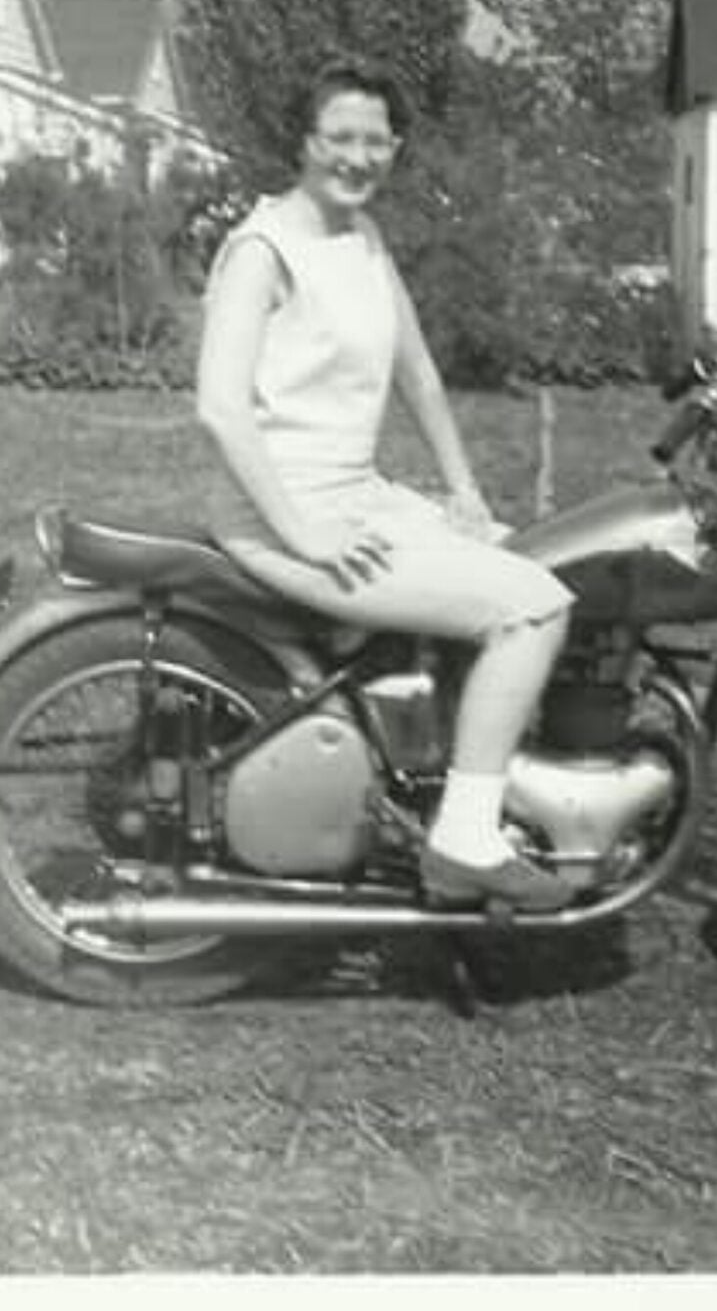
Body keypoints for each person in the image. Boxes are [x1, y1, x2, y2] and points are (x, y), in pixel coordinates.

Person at [196, 56, 574, 911]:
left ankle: (446, 779)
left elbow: (420, 374)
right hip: (279, 516)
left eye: (376, 140)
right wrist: (302, 535)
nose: (358, 157)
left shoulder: (361, 238)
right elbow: (221, 410)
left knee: (526, 556)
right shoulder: (265, 248)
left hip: (355, 495)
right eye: (340, 138)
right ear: (303, 141)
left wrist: (465, 493)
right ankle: (466, 839)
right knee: (534, 607)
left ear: (394, 147)